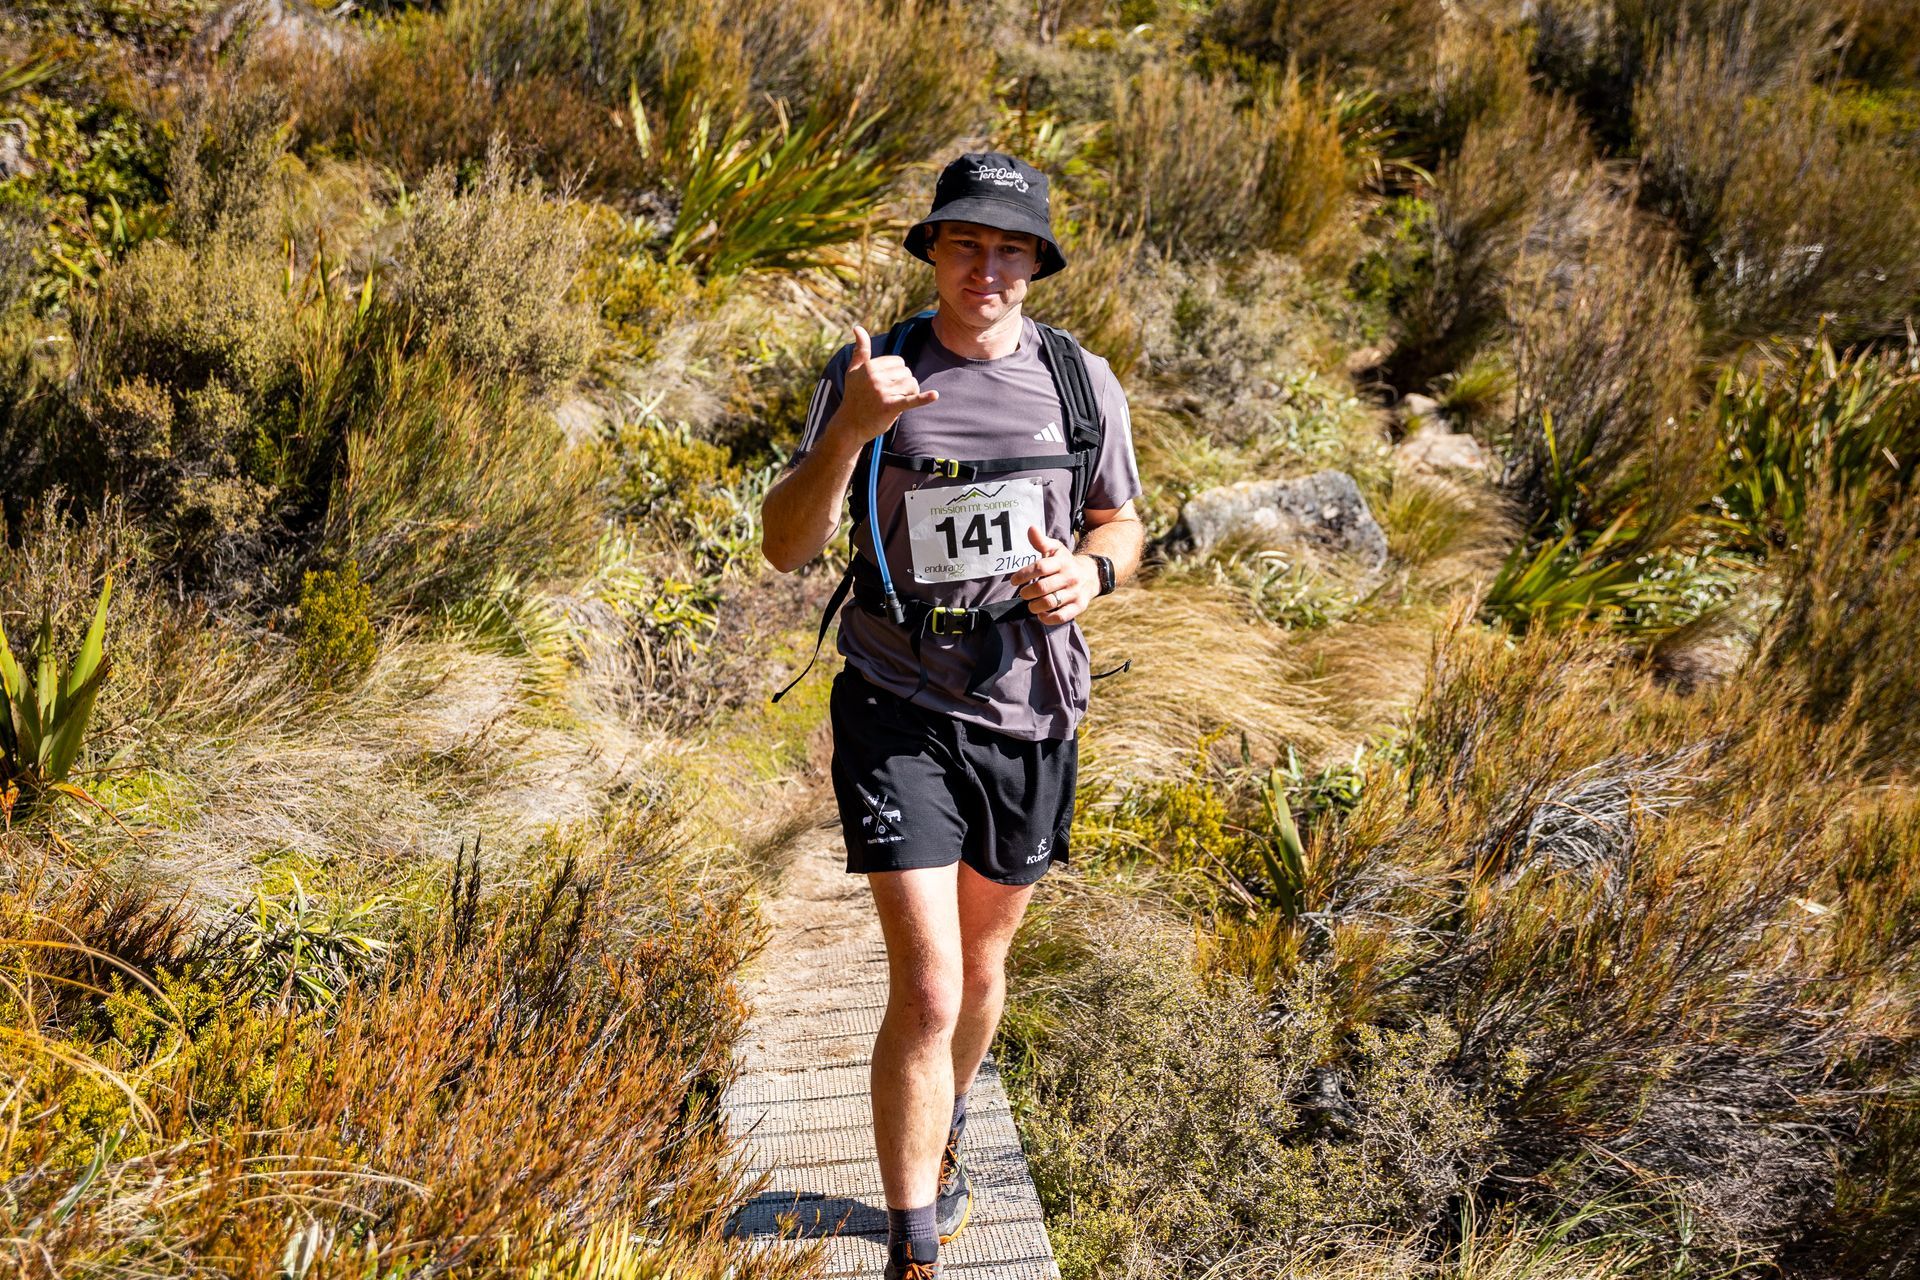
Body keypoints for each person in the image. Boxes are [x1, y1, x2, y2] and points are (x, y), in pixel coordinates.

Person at [761, 152, 1143, 1279]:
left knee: (981, 969)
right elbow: (787, 545)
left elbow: (1120, 518)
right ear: (933, 252)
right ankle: (913, 1238)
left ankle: (955, 1112)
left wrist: (1093, 575)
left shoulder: (1081, 381)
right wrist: (845, 432)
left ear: (1036, 263)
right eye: (967, 243)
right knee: (926, 984)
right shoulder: (874, 370)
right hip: (897, 697)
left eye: (1011, 248)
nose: (989, 266)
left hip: (1031, 704)